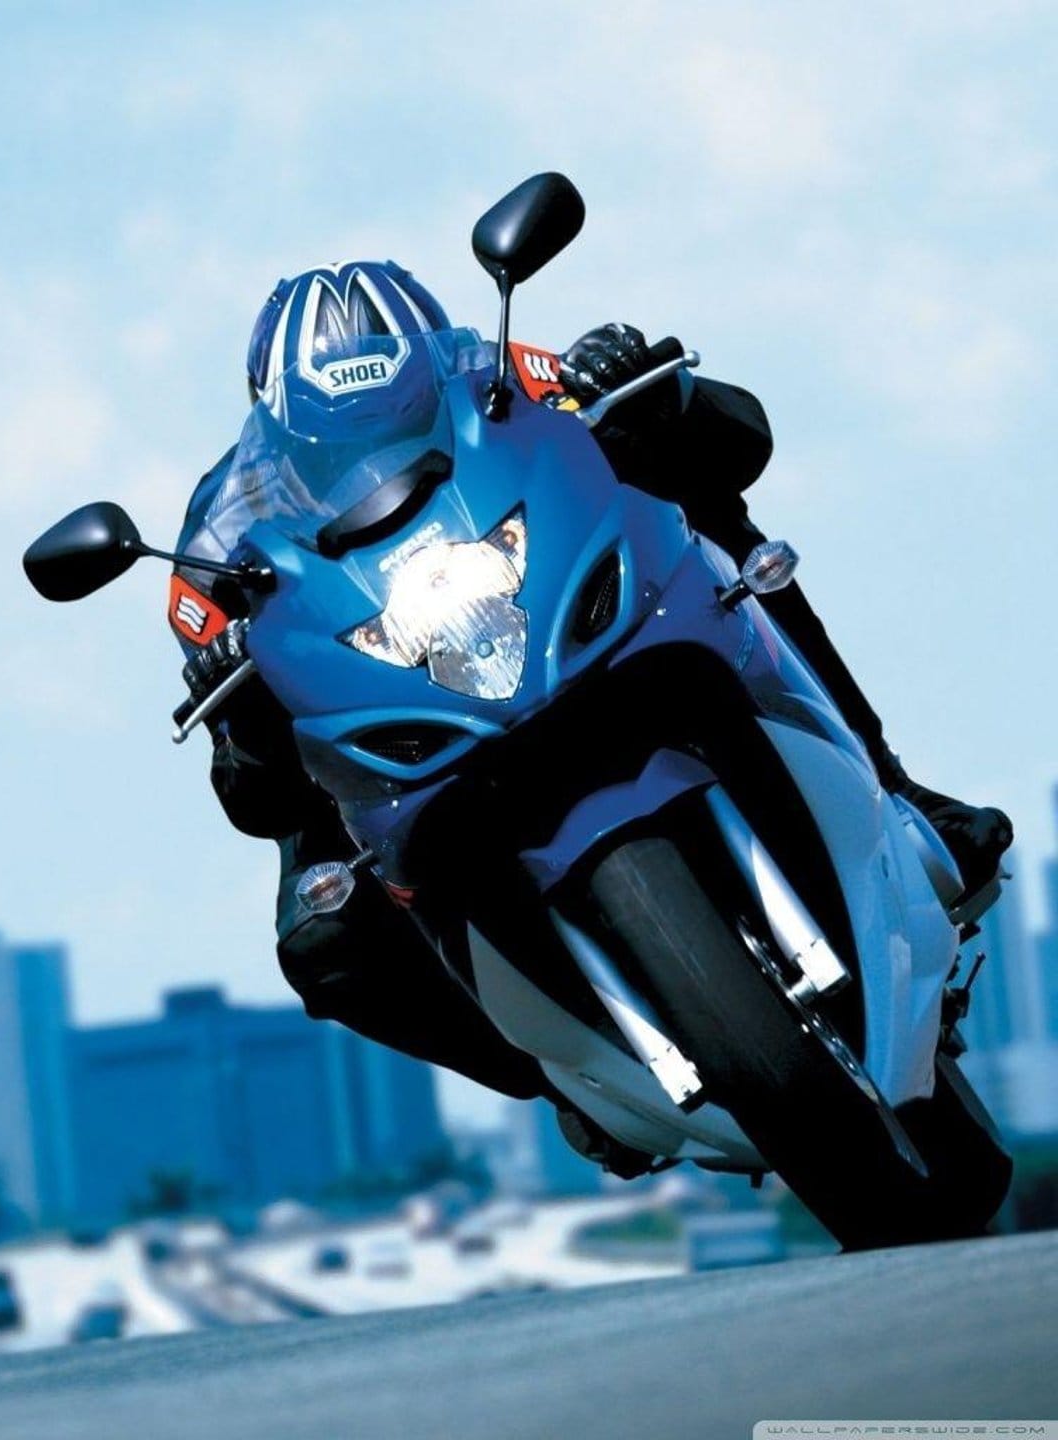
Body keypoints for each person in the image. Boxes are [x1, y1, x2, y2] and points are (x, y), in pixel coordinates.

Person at [169, 260, 1013, 1174]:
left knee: (732, 545)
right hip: (386, 728)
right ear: (272, 409)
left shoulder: (506, 376)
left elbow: (736, 436)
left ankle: (897, 789)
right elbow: (247, 787)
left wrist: (648, 387)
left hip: (576, 616)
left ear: (425, 351)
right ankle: (562, 1079)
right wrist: (235, 696)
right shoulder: (216, 538)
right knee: (322, 940)